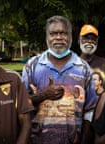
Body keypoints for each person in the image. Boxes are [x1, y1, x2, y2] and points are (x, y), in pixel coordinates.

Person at [22, 15, 97, 144]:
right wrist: (43, 95)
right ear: (47, 37)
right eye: (53, 33)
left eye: (63, 33)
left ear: (71, 37)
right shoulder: (32, 66)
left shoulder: (83, 68)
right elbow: (21, 106)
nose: (58, 37)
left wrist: (84, 139)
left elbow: (89, 110)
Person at [79, 24, 105, 89]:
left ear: (97, 41)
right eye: (86, 38)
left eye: (93, 39)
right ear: (79, 40)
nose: (90, 41)